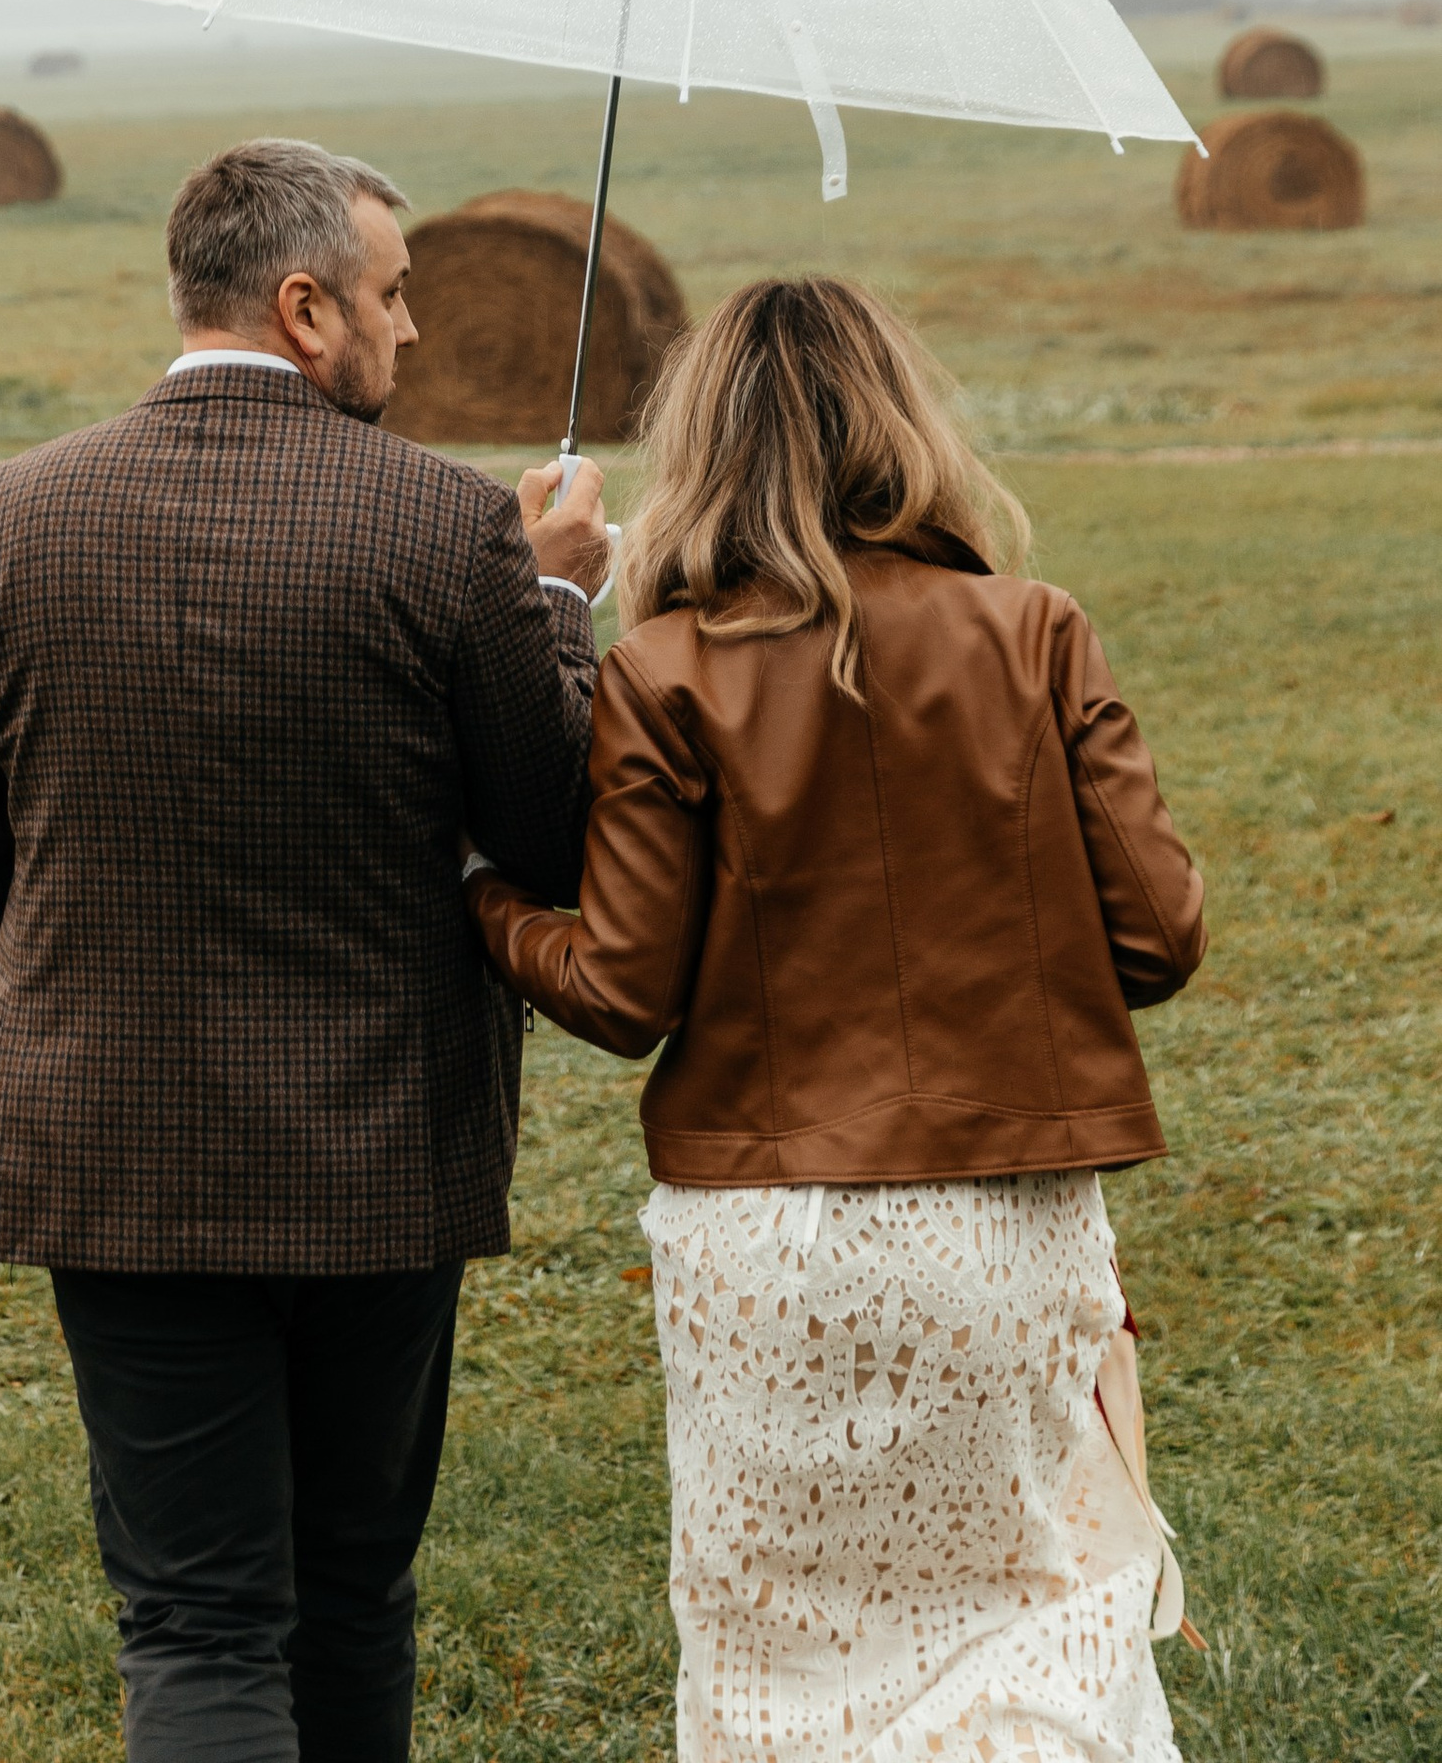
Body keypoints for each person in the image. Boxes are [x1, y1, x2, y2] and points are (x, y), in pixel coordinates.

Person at [0, 136, 610, 1762]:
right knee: (354, 1591)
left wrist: (101, 979)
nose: (414, 328)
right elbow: (559, 839)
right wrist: (563, 603)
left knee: (198, 1620)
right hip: (380, 1149)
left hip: (113, 1146)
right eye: (394, 294)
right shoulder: (453, 530)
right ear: (306, 309)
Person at [466, 275, 1208, 1763]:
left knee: (781, 1665)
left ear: (703, 451)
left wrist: (485, 895)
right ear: (904, 427)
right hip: (1007, 1219)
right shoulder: (1037, 633)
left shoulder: (663, 671)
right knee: (1036, 1621)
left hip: (766, 1246)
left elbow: (619, 988)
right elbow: (1160, 935)